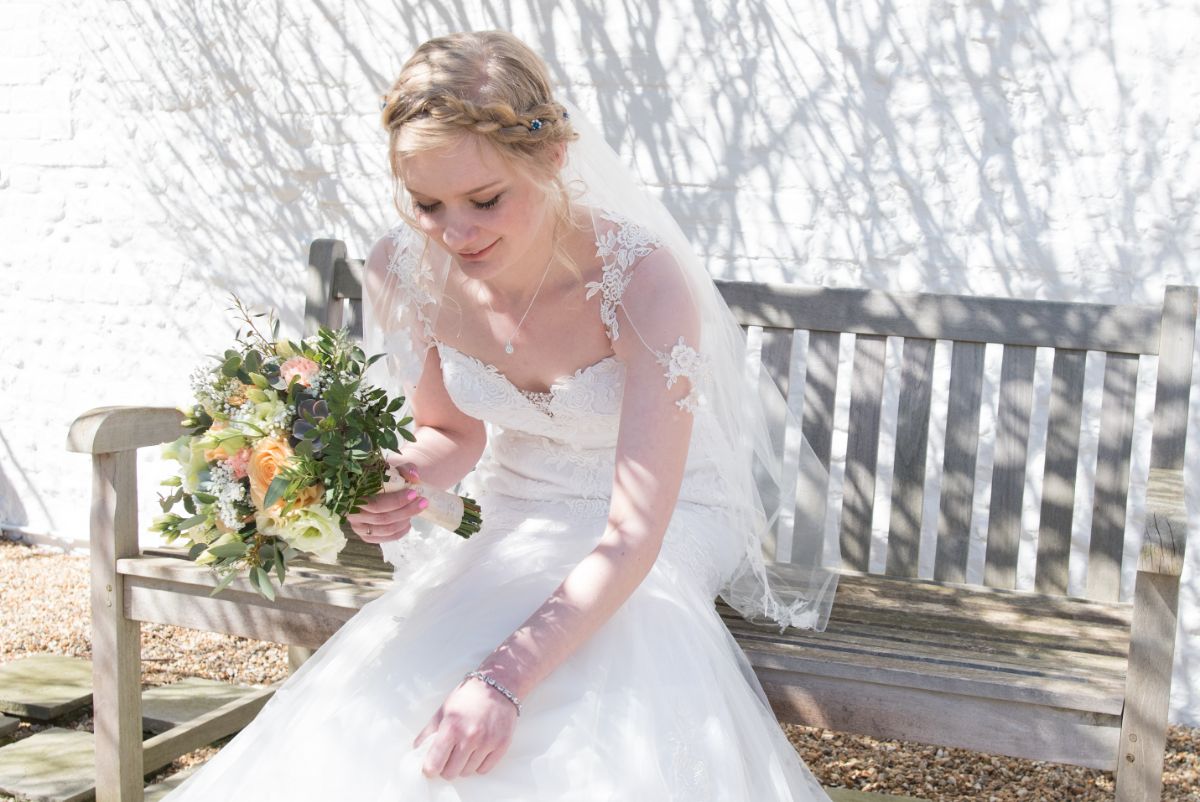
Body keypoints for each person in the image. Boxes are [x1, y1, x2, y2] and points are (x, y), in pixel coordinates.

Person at [164, 30, 838, 800]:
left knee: (567, 704)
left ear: (551, 160)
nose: (455, 233)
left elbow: (632, 532)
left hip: (665, 520)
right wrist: (392, 482)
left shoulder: (641, 282)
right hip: (517, 509)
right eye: (426, 204)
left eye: (484, 200)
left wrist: (503, 679)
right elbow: (452, 435)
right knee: (399, 712)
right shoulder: (402, 267)